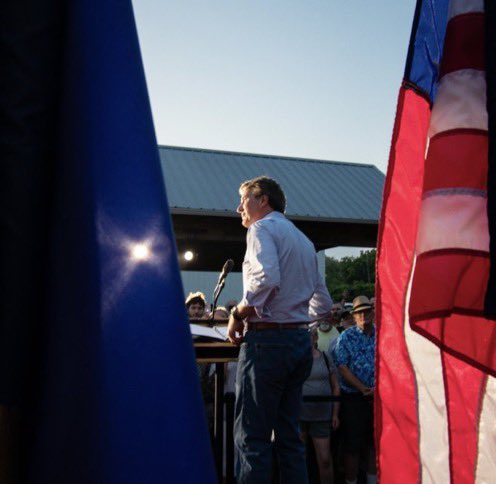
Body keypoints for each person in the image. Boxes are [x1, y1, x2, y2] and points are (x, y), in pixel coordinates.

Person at [227, 176, 333, 484]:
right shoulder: (302, 240)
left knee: (252, 437)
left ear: (262, 200)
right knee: (289, 437)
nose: (238, 208)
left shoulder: (261, 229)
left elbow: (266, 278)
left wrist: (237, 312)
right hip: (298, 341)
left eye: (243, 199)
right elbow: (323, 304)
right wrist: (295, 318)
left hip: (267, 343)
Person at [334, 296, 376, 484]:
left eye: (367, 311)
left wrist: (376, 389)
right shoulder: (346, 337)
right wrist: (363, 389)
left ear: (373, 313)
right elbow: (342, 366)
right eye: (359, 312)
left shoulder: (382, 334)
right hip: (353, 399)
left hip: (377, 398)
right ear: (354, 315)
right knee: (352, 445)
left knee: (373, 444)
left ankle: (372, 480)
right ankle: (351, 481)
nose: (363, 315)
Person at [300, 328, 340, 484]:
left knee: (324, 459)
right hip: (299, 415)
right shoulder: (296, 358)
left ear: (315, 337)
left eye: (310, 335)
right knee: (299, 459)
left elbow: (335, 386)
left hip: (322, 416)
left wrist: (335, 414)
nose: (307, 338)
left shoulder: (325, 357)